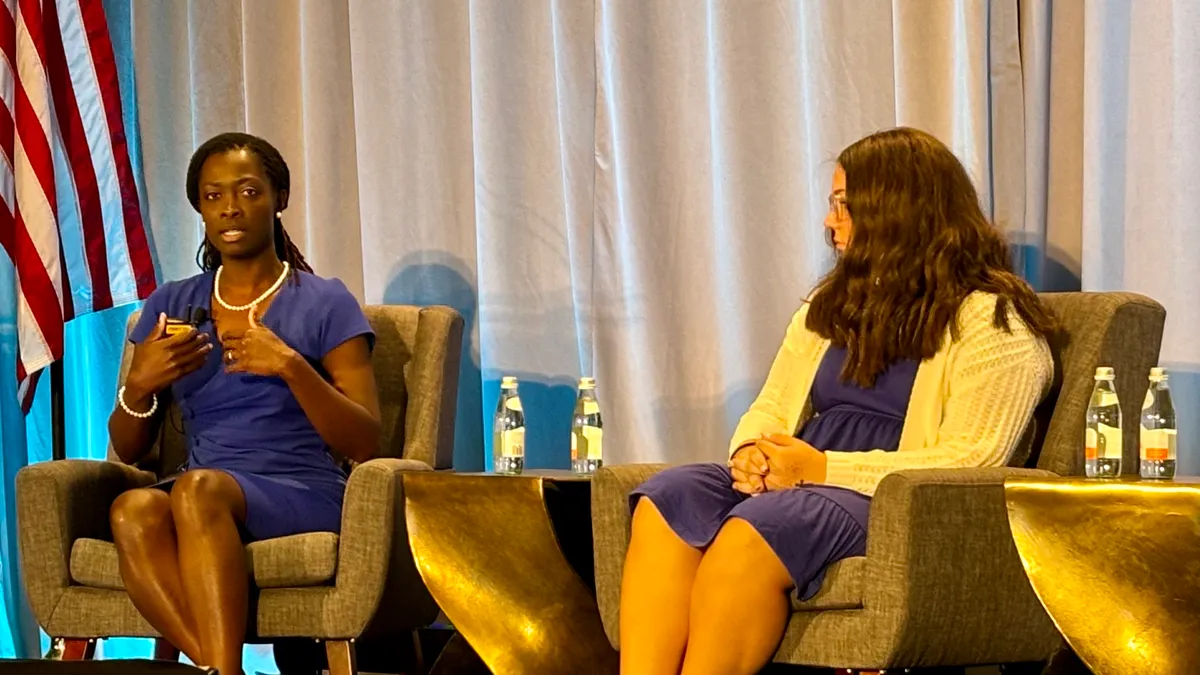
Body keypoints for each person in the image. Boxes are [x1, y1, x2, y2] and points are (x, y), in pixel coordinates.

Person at [618, 127, 1057, 675]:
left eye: (845, 205)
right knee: (671, 495)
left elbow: (972, 459)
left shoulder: (992, 321)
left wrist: (823, 469)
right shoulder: (831, 306)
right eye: (834, 204)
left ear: (896, 211)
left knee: (756, 529)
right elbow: (772, 404)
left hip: (892, 500)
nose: (830, 221)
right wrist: (754, 449)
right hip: (802, 477)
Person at [107, 133, 382, 675]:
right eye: (213, 196)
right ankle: (219, 670)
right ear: (200, 209)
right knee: (131, 509)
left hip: (302, 488)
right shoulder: (172, 304)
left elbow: (366, 440)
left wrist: (291, 366)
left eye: (249, 191)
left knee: (198, 488)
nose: (230, 207)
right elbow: (130, 449)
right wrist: (139, 386)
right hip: (203, 489)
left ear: (279, 198)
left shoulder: (324, 300)